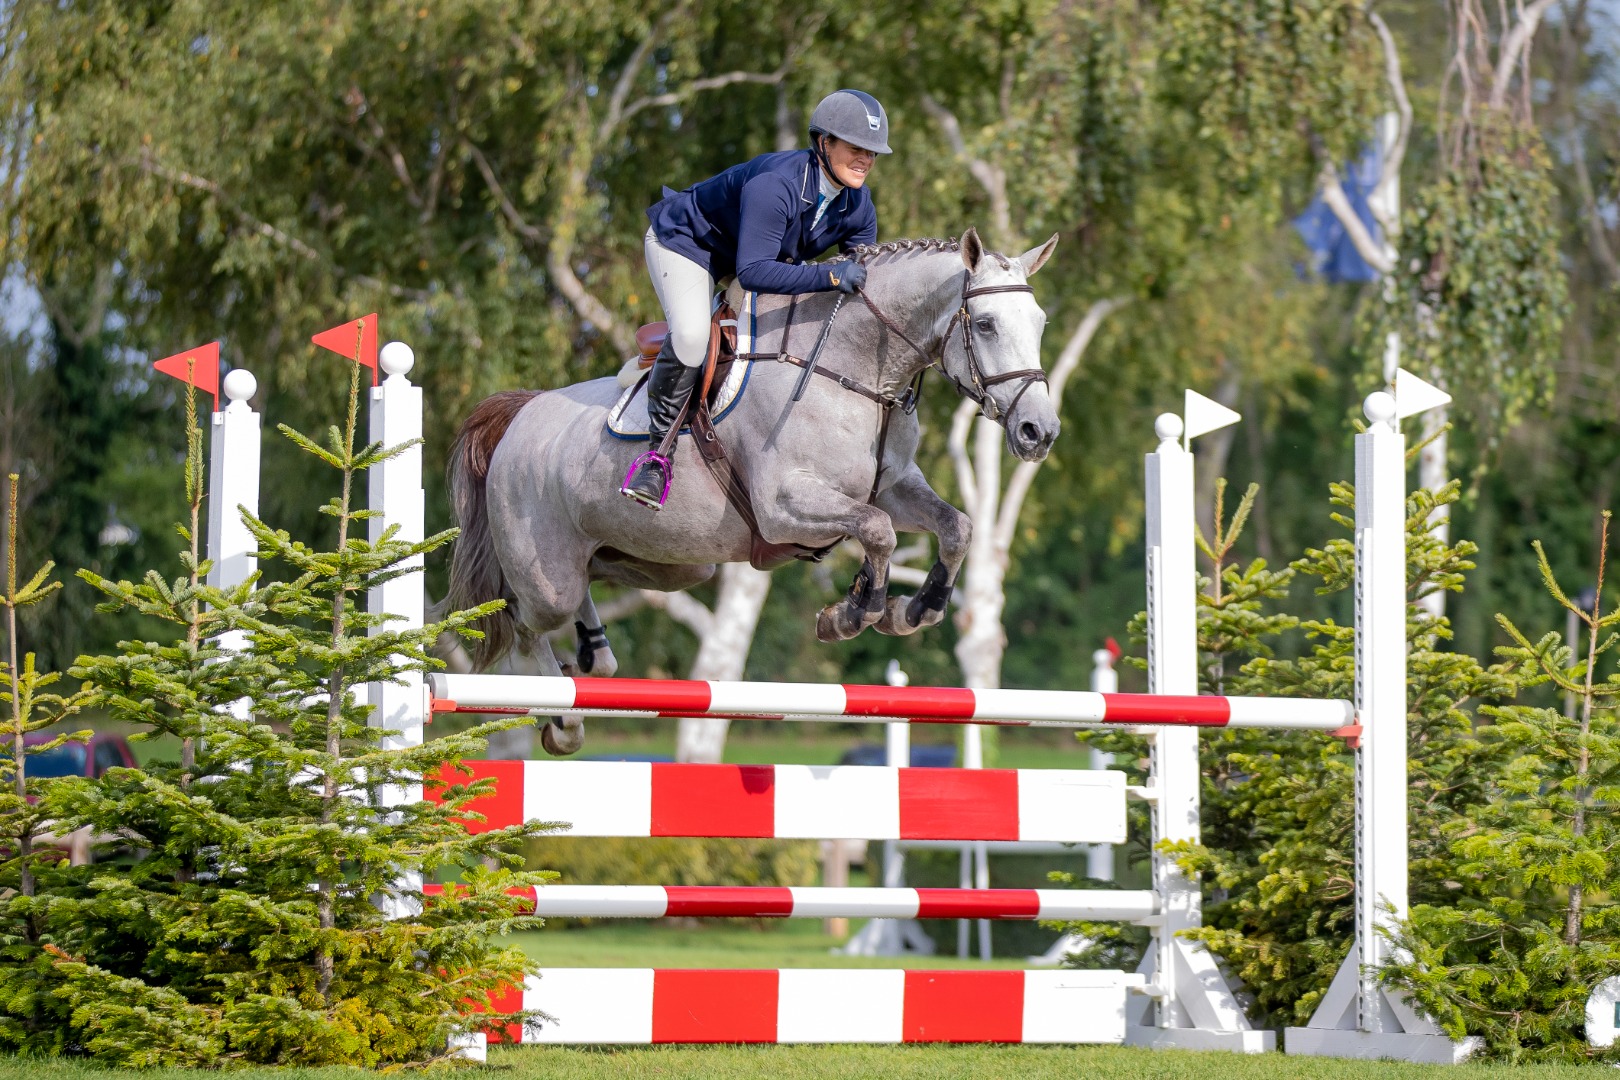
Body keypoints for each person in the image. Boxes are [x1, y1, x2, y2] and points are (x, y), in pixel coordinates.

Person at [621, 88, 893, 510]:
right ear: (824, 142)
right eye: (856, 148)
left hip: (747, 256)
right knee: (693, 336)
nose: (865, 161)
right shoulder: (777, 184)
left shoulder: (858, 205)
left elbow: (855, 283)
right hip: (688, 245)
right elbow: (754, 272)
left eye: (872, 153)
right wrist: (829, 274)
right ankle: (656, 457)